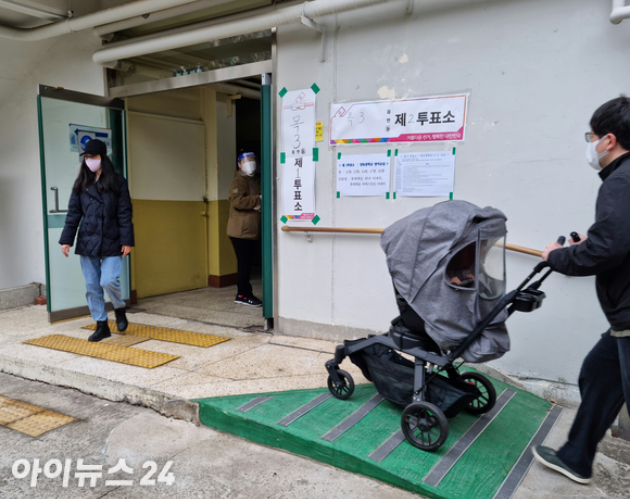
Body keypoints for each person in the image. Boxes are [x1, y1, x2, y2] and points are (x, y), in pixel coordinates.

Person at [533, 96, 630, 484]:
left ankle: (575, 455)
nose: (588, 144)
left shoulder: (621, 180)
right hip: (623, 314)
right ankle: (576, 457)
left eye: (590, 136)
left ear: (608, 140)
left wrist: (559, 257)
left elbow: (608, 248)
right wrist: (583, 246)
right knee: (599, 371)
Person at [59, 139, 134, 342]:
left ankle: (119, 307)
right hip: (88, 240)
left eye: (94, 156)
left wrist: (127, 240)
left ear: (103, 158)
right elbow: (74, 213)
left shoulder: (118, 181)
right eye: (87, 157)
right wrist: (67, 239)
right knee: (92, 285)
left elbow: (125, 212)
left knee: (108, 280)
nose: (90, 160)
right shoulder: (81, 183)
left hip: (113, 239)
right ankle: (102, 325)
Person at [227, 151, 262, 307]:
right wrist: (258, 200)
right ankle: (243, 294)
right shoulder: (238, 181)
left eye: (253, 160)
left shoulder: (255, 180)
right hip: (240, 231)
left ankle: (243, 293)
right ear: (239, 164)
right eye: (246, 161)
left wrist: (257, 203)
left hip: (251, 230)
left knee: (246, 263)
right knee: (245, 264)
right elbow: (238, 202)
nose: (250, 164)